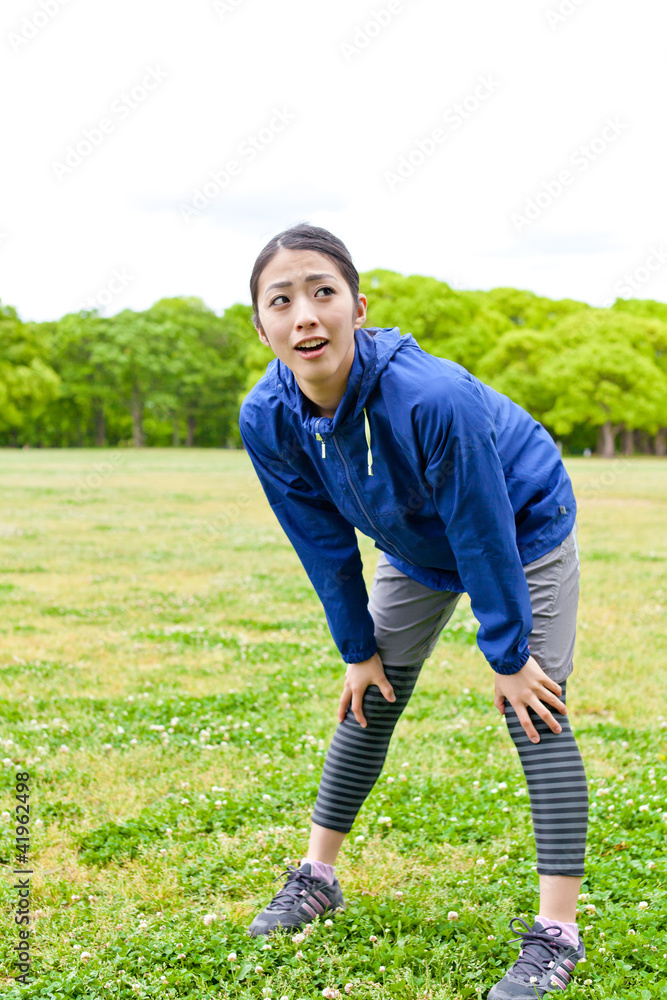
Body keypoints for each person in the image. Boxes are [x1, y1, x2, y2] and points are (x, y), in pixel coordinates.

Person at [238, 223, 589, 999]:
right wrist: (356, 646)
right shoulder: (266, 416)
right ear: (259, 324)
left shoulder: (431, 397)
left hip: (521, 524)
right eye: (282, 300)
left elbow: (482, 526)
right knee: (370, 694)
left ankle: (556, 936)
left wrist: (507, 656)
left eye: (323, 293)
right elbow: (319, 539)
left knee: (535, 706)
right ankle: (316, 876)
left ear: (358, 307)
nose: (305, 315)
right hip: (413, 538)